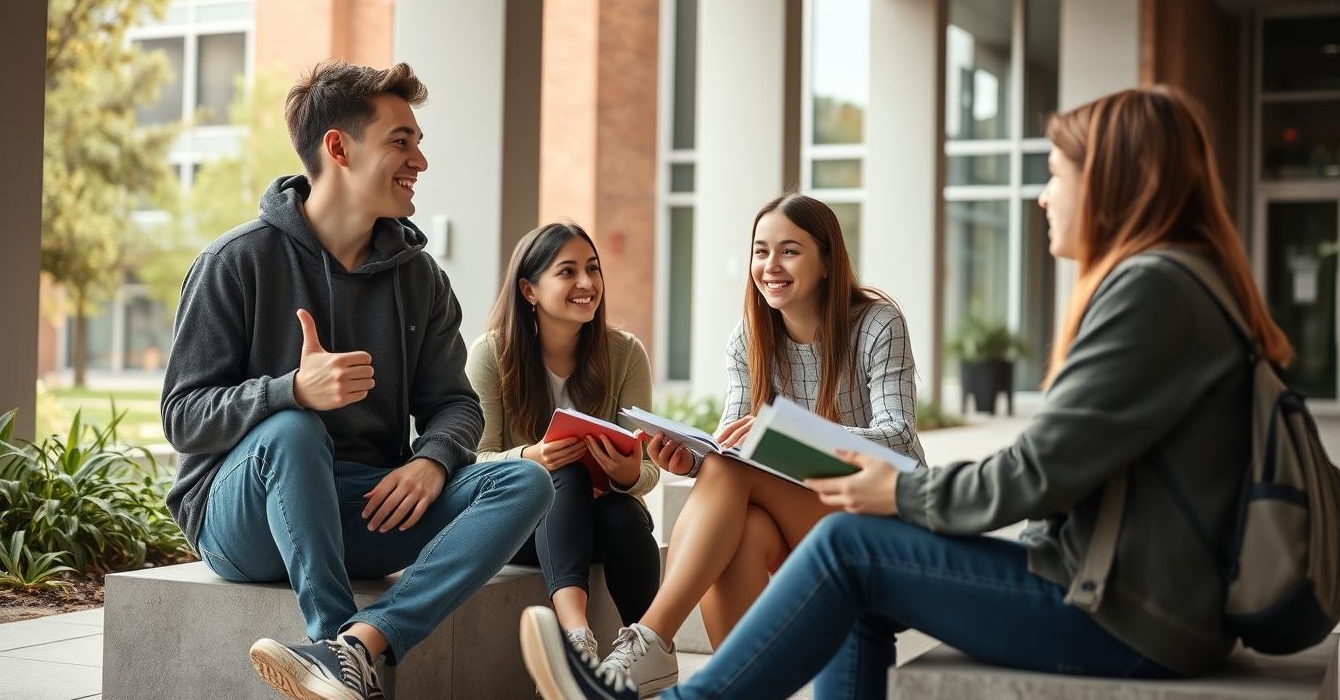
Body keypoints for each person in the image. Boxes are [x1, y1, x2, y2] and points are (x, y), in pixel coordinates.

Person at [519, 85, 1296, 700]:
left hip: (1130, 615)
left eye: (1057, 173)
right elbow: (1062, 471)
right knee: (820, 541)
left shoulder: (1151, 292)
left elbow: (1034, 473)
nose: (1041, 197)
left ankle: (660, 682)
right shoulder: (1176, 287)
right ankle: (652, 656)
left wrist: (899, 496)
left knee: (853, 541)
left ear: (1118, 180)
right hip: (1132, 595)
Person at [161, 60, 554, 700]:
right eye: (402, 141)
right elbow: (183, 414)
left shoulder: (420, 278)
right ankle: (329, 633)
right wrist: (290, 389)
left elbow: (455, 404)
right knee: (292, 427)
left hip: (367, 508)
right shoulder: (236, 262)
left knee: (525, 479)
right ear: (338, 148)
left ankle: (355, 649)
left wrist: (432, 459)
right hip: (247, 518)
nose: (419, 161)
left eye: (418, 143)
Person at [575, 193, 925, 695]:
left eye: (789, 251)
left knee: (736, 472)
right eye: (761, 251)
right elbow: (729, 446)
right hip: (793, 521)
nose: (770, 266)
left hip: (880, 520)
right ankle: (737, 685)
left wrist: (788, 435)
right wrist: (689, 459)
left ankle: (653, 641)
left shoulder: (875, 323)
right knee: (741, 517)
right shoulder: (750, 336)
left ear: (827, 261)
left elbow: (901, 446)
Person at [466, 221, 662, 665]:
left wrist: (629, 473)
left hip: (601, 525)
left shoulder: (625, 353)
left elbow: (648, 467)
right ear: (529, 290)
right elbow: (473, 462)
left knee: (622, 512)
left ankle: (647, 645)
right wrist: (531, 457)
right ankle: (577, 640)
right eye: (567, 271)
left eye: (592, 269)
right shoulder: (492, 354)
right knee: (562, 474)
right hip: (521, 529)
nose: (586, 283)